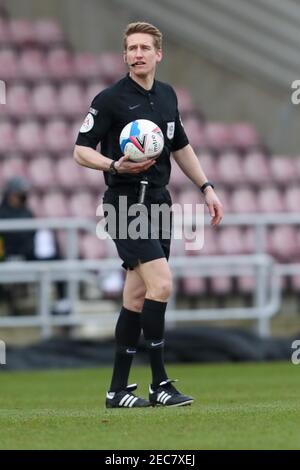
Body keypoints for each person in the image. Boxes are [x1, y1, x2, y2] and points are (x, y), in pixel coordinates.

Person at [74, 22, 223, 408]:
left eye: (145, 47)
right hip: (125, 204)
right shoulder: (109, 100)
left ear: (159, 54)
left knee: (137, 296)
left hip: (159, 201)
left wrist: (206, 187)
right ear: (124, 56)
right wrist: (114, 165)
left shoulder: (168, 96)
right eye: (131, 48)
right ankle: (160, 384)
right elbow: (80, 150)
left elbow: (181, 146)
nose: (137, 53)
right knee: (162, 284)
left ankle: (117, 391)